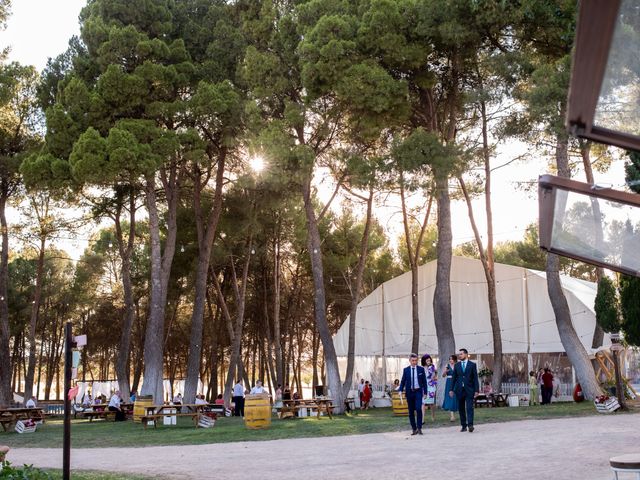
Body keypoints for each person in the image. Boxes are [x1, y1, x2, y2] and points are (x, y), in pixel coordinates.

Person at [449, 348, 480, 433]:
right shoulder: (457, 365)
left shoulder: (472, 365)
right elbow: (454, 378)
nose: (460, 355)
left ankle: (470, 425)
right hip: (459, 390)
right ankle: (463, 426)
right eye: (459, 354)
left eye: (461, 354)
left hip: (469, 390)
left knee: (469, 407)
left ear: (466, 354)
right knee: (461, 408)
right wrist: (451, 389)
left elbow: (475, 379)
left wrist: (476, 390)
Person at [398, 353, 428, 436]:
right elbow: (403, 381)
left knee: (418, 409)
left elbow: (424, 382)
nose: (414, 362)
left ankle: (419, 428)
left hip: (418, 392)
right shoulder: (406, 370)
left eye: (416, 360)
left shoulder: (421, 369)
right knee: (411, 411)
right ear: (410, 361)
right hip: (409, 392)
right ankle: (414, 429)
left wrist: (425, 392)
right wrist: (400, 389)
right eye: (413, 361)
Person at [421, 354, 437, 422]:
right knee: (423, 402)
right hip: (424, 386)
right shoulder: (421, 368)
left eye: (429, 360)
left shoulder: (432, 367)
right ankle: (422, 419)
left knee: (431, 403)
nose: (428, 361)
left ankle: (433, 416)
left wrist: (433, 372)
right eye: (427, 360)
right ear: (424, 361)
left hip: (431, 385)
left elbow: (434, 377)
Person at [442, 355, 459, 422]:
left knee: (455, 397)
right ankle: (452, 416)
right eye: (450, 359)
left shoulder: (457, 365)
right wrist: (445, 371)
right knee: (450, 397)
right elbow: (443, 376)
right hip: (449, 382)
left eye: (452, 359)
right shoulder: (447, 366)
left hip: (455, 382)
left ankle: (455, 411)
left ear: (454, 360)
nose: (450, 360)